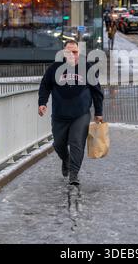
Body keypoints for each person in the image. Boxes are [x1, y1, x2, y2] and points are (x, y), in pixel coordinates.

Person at [38, 40, 104, 185]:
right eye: (69, 52)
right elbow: (45, 85)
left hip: (80, 114)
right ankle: (66, 159)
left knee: (76, 143)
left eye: (74, 52)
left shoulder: (86, 67)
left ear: (79, 53)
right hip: (59, 115)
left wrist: (98, 112)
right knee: (58, 144)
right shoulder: (55, 68)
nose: (72, 55)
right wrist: (42, 102)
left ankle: (74, 174)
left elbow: (97, 91)